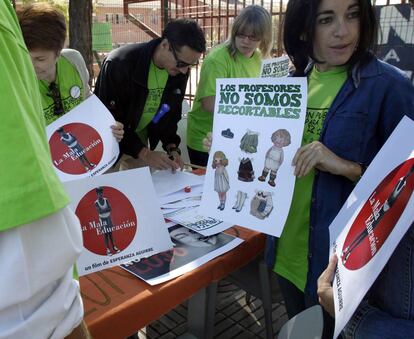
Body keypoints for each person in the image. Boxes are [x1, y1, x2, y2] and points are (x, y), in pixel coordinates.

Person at [262, 0, 414, 337]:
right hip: (285, 250)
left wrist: (345, 166)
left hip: (338, 270)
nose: (342, 31)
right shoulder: (292, 83)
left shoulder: (389, 87)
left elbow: (408, 186)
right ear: (304, 28)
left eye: (353, 15)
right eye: (326, 19)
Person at [0, 0, 89, 338]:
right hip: (44, 199)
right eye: (30, 58)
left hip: (66, 184)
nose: (34, 66)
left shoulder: (73, 65)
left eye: (41, 59)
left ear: (58, 52)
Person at [94, 18, 206, 171]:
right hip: (110, 140)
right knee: (108, 190)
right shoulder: (120, 63)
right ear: (165, 45)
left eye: (190, 65)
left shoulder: (179, 71)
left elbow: (169, 112)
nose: (184, 71)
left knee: (143, 186)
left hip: (139, 137)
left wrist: (172, 147)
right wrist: (145, 153)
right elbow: (109, 120)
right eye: (181, 63)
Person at [17, 3, 124, 142]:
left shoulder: (73, 60)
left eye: (40, 59)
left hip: (79, 146)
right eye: (25, 57)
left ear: (58, 52)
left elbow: (86, 100)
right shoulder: (18, 79)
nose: (31, 66)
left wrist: (108, 124)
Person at [186, 5, 273, 167]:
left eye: (253, 37)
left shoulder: (260, 59)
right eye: (241, 34)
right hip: (206, 139)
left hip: (237, 139)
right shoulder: (218, 59)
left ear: (264, 37)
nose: (246, 41)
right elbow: (209, 103)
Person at [94, 186, 121, 256]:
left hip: (108, 218)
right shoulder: (96, 203)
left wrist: (104, 210)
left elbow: (110, 209)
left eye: (101, 193)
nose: (100, 194)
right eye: (99, 193)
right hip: (102, 220)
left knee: (110, 233)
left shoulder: (106, 200)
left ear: (102, 193)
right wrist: (105, 210)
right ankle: (108, 250)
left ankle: (114, 247)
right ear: (97, 194)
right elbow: (100, 212)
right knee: (106, 234)